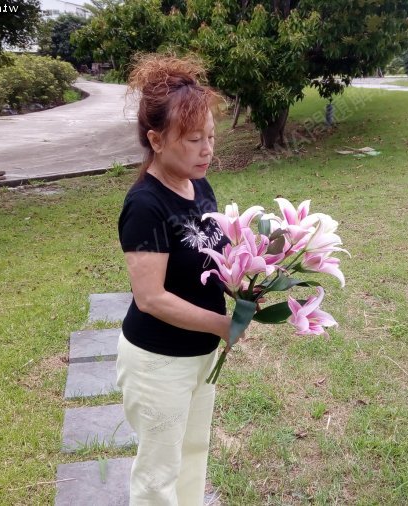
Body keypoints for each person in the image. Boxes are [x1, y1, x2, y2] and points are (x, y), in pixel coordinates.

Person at [116, 54, 234, 505]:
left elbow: (215, 255)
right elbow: (151, 298)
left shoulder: (198, 184)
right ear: (156, 139)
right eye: (193, 139)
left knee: (192, 453)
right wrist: (223, 325)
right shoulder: (145, 205)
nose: (207, 150)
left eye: (211, 137)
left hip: (200, 354)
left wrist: (251, 283)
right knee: (158, 475)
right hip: (158, 362)